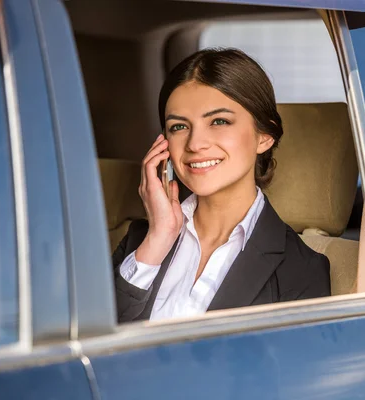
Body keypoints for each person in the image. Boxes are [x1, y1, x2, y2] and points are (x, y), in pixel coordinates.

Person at [113, 48, 330, 323]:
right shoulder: (139, 240)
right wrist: (158, 240)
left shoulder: (301, 271)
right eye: (179, 127)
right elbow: (85, 343)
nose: (194, 144)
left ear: (264, 136)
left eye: (219, 121)